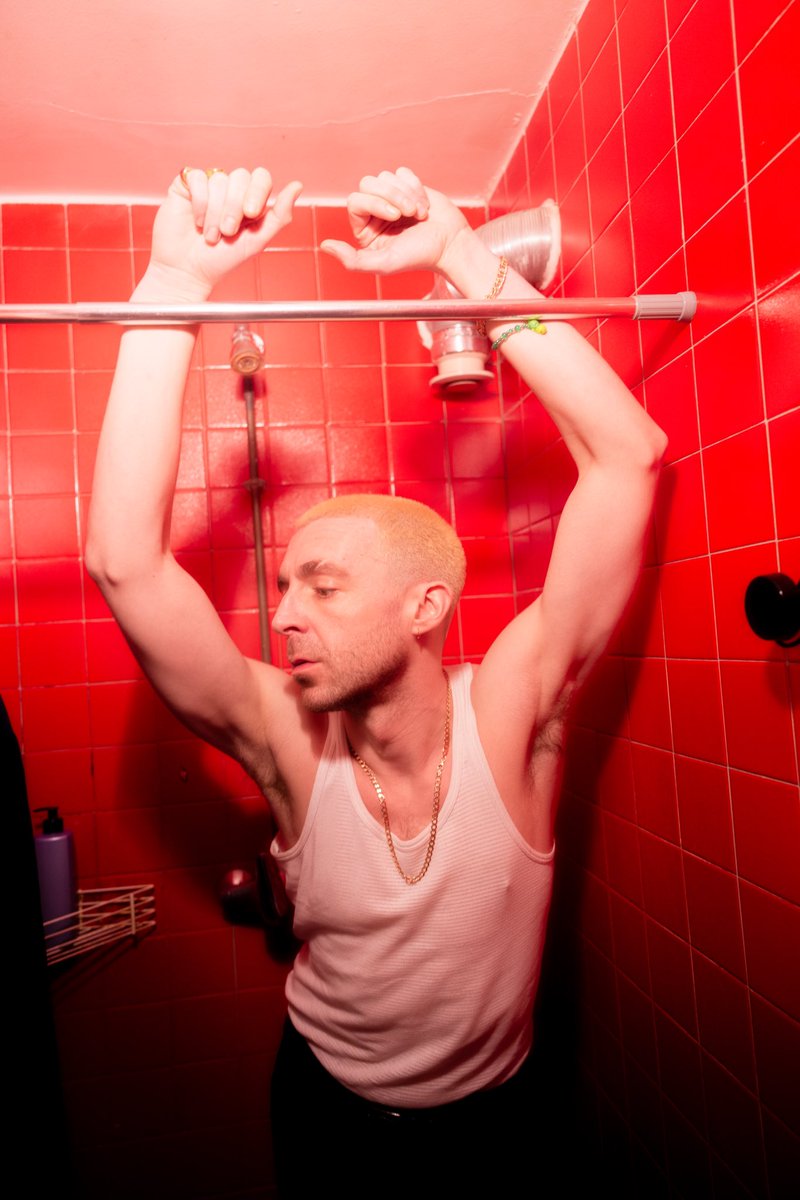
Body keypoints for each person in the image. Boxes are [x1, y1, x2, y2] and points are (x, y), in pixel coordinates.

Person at [86, 166, 667, 1196]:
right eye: (282, 587)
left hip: (498, 1123)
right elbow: (127, 562)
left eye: (324, 585)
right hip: (326, 1114)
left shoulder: (510, 709)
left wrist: (462, 258)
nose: (286, 614)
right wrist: (172, 281)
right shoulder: (284, 737)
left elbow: (628, 458)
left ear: (425, 607)